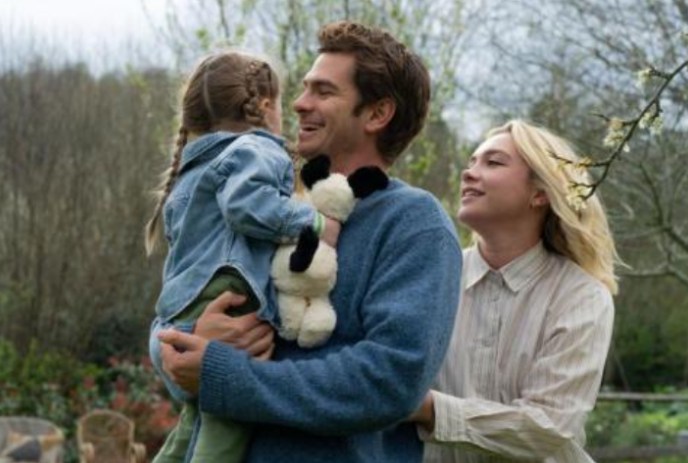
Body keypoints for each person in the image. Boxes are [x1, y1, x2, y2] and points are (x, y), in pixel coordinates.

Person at [152, 21, 463, 463]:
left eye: (323, 92)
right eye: (302, 89)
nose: (299, 104)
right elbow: (173, 315)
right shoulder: (265, 208)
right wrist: (191, 345)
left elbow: (391, 380)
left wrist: (225, 374)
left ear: (377, 114)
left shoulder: (415, 224)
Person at [144, 50, 340, 463]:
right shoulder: (257, 148)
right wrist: (314, 221)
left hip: (187, 305)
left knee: (197, 418)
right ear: (265, 106)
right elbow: (248, 205)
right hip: (230, 293)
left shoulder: (192, 169)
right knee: (227, 426)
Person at [411, 120, 618, 462]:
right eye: (471, 162)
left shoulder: (581, 297)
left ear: (540, 193)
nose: (469, 173)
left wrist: (427, 409)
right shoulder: (433, 274)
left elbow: (547, 426)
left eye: (493, 162)